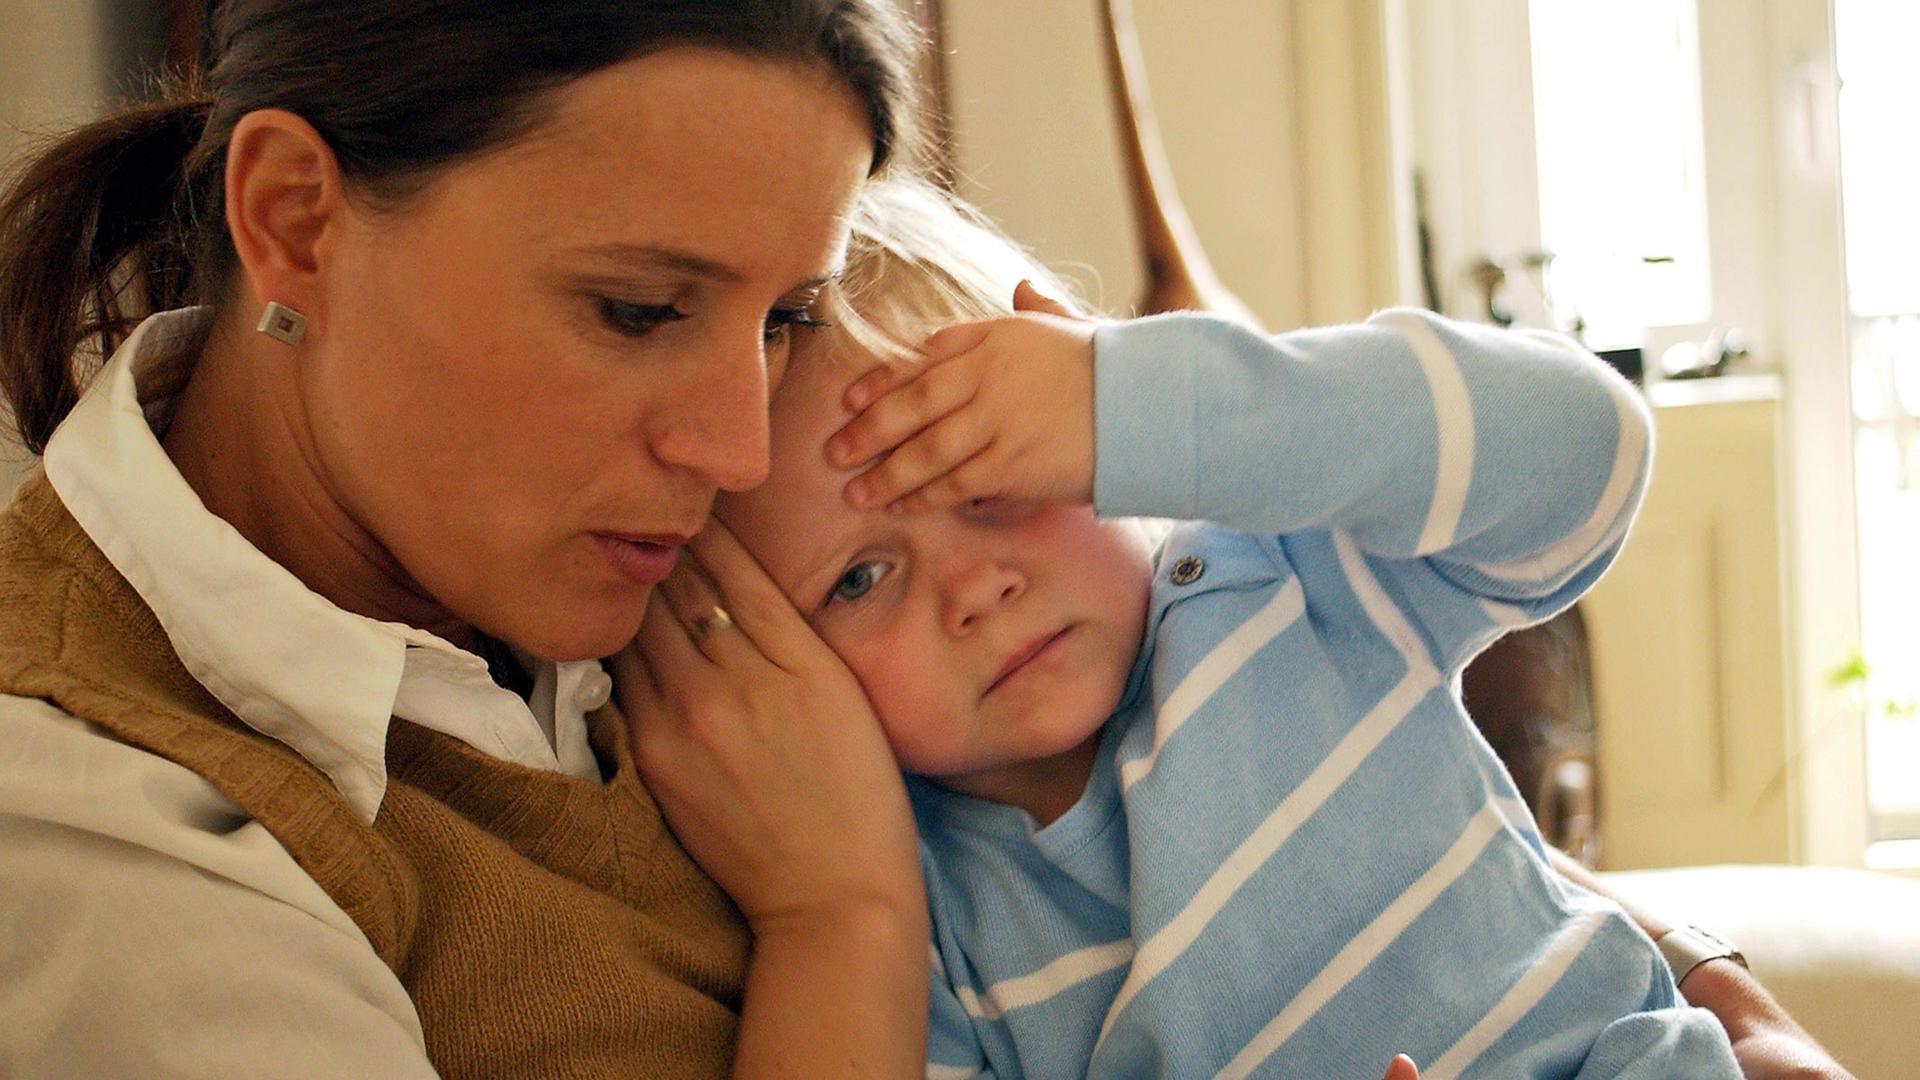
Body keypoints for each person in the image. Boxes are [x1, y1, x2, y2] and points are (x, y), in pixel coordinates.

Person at [0, 3, 937, 1077]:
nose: (739, 453)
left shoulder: (730, 568)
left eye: (785, 318)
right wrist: (850, 914)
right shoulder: (96, 824)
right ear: (293, 216)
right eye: (638, 311)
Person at [687, 176, 1790, 1077]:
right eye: (860, 579)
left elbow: (1591, 457)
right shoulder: (923, 915)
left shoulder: (1279, 582)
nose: (973, 588)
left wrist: (1154, 405)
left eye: (996, 478)